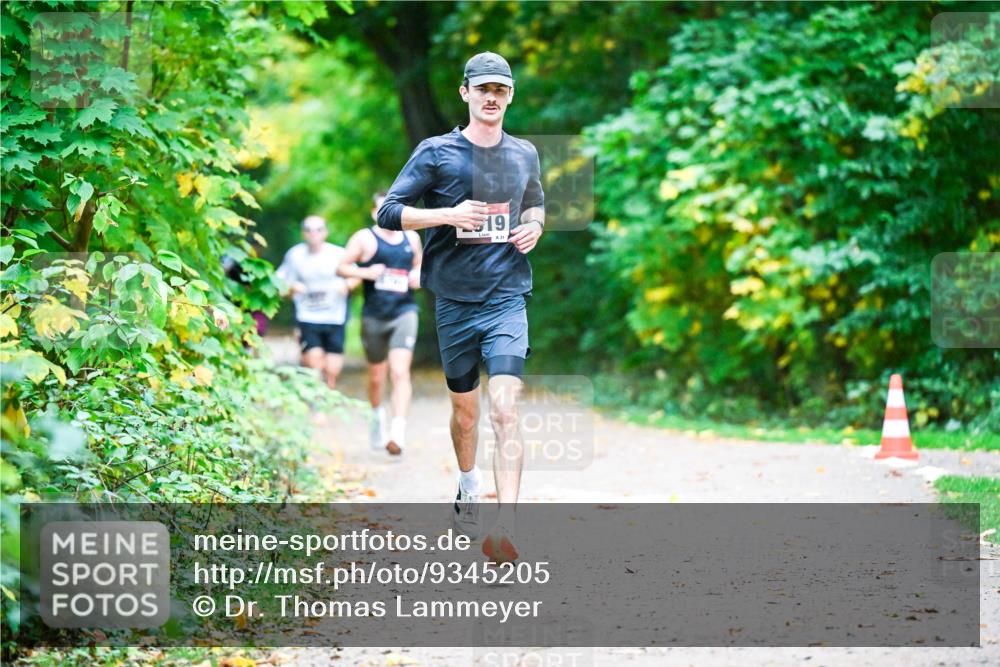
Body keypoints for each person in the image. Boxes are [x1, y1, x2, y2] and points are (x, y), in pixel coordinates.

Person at [377, 52, 545, 562]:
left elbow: (535, 200)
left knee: (505, 409)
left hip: (507, 296)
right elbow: (388, 212)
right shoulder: (436, 152)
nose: (492, 97)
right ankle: (469, 485)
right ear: (465, 93)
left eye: (501, 89)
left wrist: (535, 225)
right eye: (483, 88)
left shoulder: (525, 154)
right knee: (466, 414)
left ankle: (506, 527)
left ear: (510, 96)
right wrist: (446, 214)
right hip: (453, 300)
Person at [337, 192, 423, 456]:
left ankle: (397, 431)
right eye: (383, 209)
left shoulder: (411, 237)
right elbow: (341, 267)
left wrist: (418, 276)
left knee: (400, 372)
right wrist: (365, 272)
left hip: (404, 312)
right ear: (375, 213)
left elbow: (420, 264)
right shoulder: (364, 238)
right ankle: (378, 419)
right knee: (376, 377)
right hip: (374, 314)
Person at [276, 215, 358, 390]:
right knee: (314, 365)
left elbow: (356, 276)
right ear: (303, 233)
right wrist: (292, 288)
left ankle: (326, 395)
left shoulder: (338, 254)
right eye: (309, 230)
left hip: (335, 317)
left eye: (318, 229)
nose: (314, 233)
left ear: (325, 232)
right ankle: (318, 407)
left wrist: (347, 286)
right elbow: (279, 283)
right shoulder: (295, 255)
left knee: (332, 369)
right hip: (307, 317)